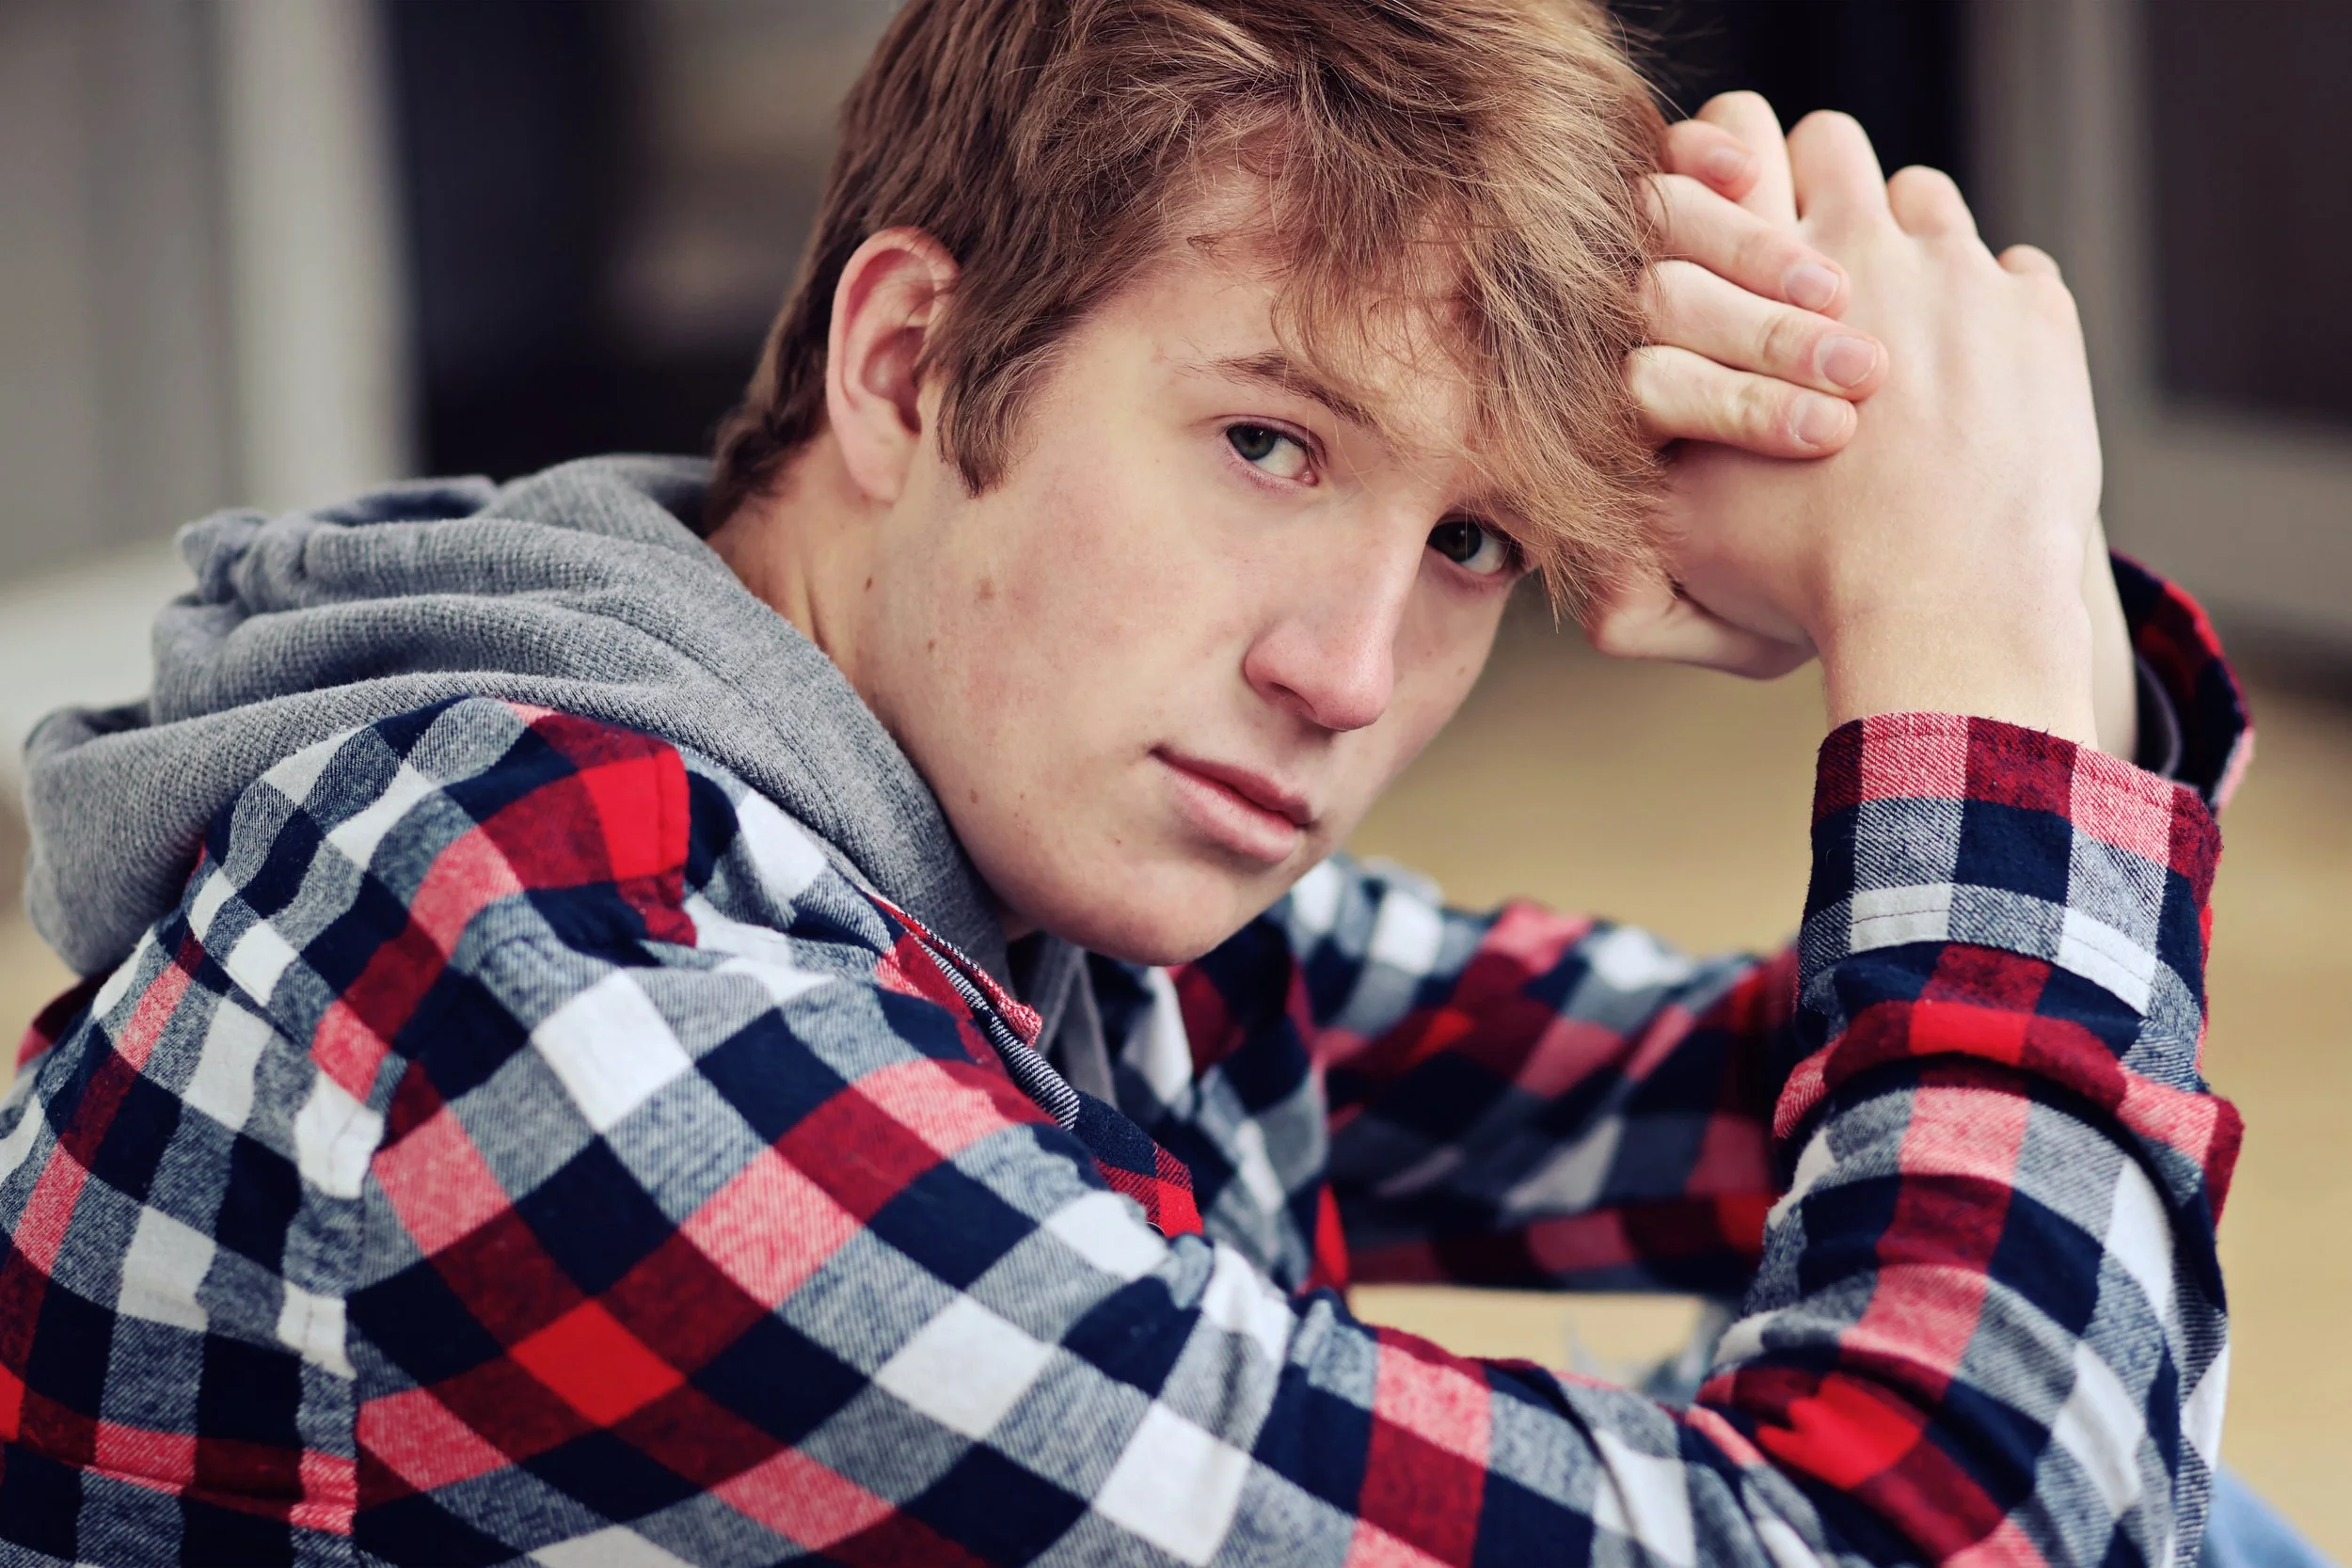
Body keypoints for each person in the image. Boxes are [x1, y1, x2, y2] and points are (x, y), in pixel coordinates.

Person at [0, 0, 2257, 1562]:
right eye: (1266, 443)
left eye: (1470, 536)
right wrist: (1964, 675)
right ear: (909, 364)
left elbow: (1745, 1108)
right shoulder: (573, 991)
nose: (1346, 672)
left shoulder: (960, 794)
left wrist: (1999, 574)